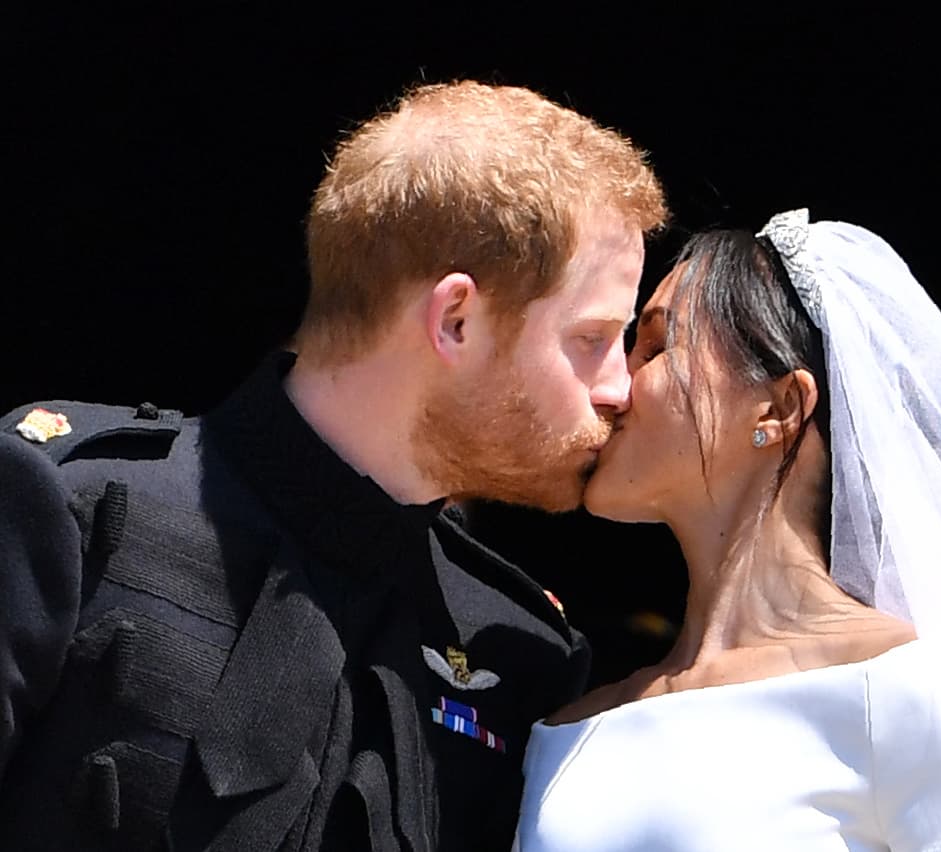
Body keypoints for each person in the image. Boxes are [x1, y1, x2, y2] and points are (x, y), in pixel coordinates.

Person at [0, 81, 667, 851]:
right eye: (593, 339)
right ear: (456, 321)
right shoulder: (69, 507)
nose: (619, 388)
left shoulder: (520, 652)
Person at [513, 209, 941, 851]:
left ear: (779, 409)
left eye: (658, 346)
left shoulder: (911, 695)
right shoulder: (568, 728)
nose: (610, 386)